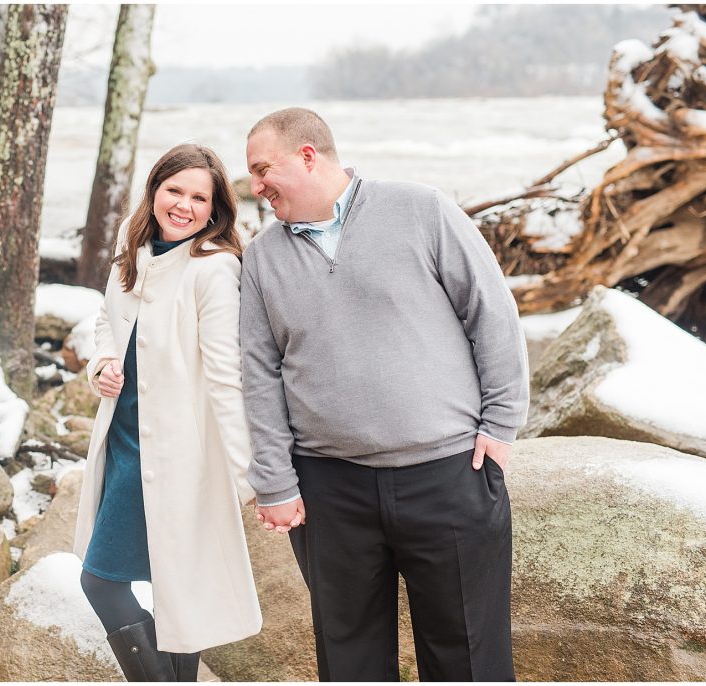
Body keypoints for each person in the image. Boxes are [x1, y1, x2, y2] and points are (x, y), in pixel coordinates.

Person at [240, 107, 529, 682]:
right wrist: (274, 478)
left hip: (448, 476)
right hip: (329, 490)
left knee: (469, 658)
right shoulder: (262, 257)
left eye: (261, 169)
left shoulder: (421, 209)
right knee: (350, 664)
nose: (254, 187)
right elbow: (259, 372)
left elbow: (491, 312)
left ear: (308, 155)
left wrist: (500, 424)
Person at [74, 143, 262, 681]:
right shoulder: (130, 245)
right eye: (174, 190)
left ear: (216, 208)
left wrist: (251, 476)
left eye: (198, 197)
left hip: (181, 458)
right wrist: (102, 363)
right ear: (155, 190)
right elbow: (106, 321)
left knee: (110, 583)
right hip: (123, 441)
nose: (184, 205)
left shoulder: (215, 269)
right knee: (154, 589)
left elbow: (229, 378)